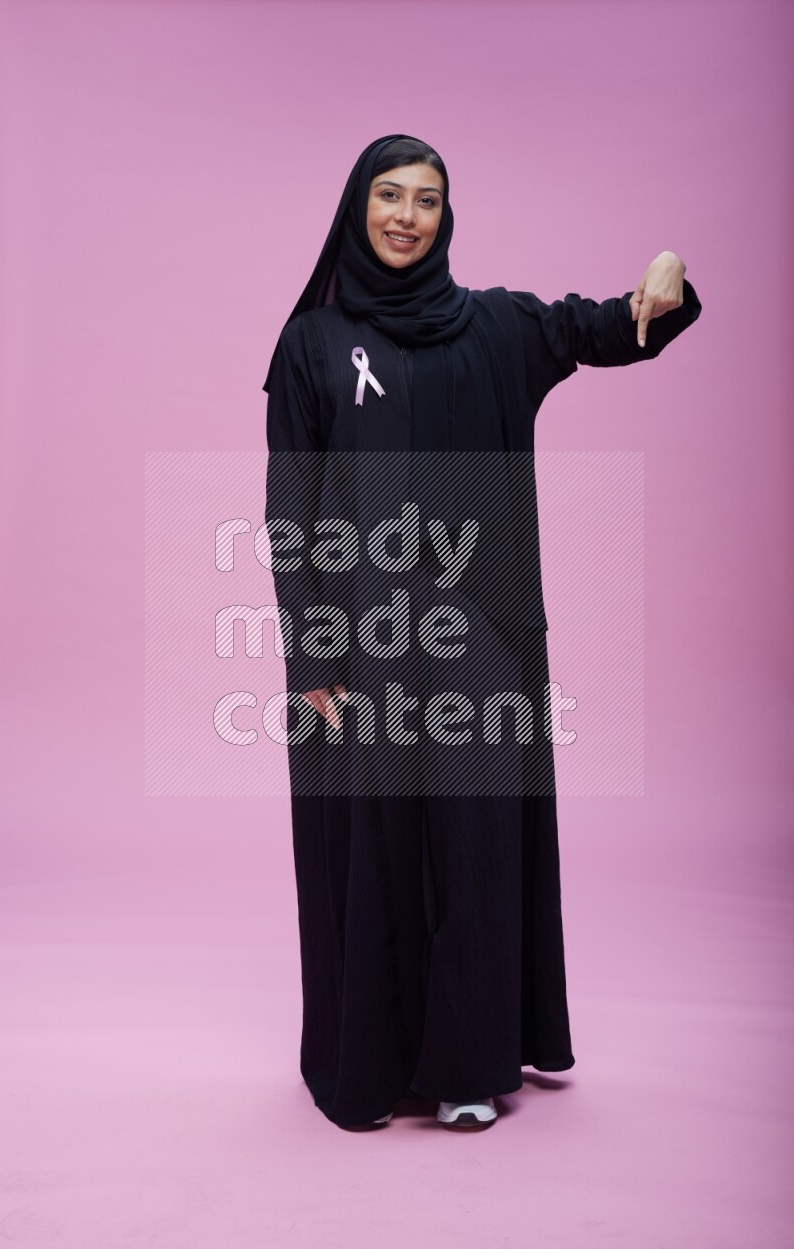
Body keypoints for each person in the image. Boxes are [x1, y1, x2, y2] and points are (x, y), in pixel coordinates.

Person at [262, 134, 702, 1131]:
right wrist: (312, 655)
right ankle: (367, 1070)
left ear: (445, 215)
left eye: (425, 198)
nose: (406, 215)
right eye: (388, 195)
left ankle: (467, 1067)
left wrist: (667, 275)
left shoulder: (496, 328)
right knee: (367, 852)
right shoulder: (312, 348)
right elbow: (290, 511)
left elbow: (615, 326)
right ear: (355, 207)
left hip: (478, 639)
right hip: (359, 646)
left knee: (471, 846)